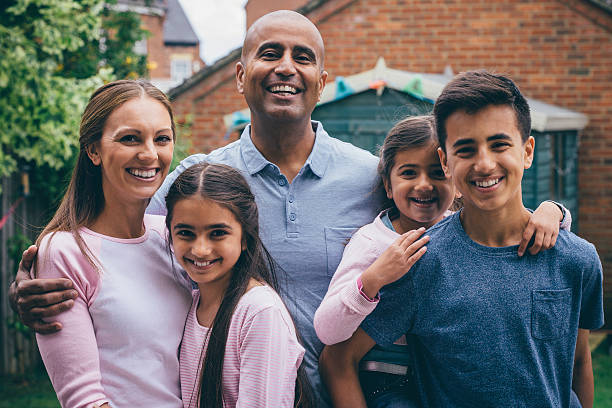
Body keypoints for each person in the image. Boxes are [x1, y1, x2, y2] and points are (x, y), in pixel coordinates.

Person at [9, 11, 570, 407]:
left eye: (303, 57)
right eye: (269, 53)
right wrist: (39, 266)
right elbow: (123, 242)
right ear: (239, 74)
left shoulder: (368, 175)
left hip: (355, 394)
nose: (286, 66)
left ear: (321, 81)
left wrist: (550, 215)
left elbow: (455, 212)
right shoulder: (199, 183)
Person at [325, 71, 604, 407]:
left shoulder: (578, 260)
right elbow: (337, 358)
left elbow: (578, 364)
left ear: (527, 151)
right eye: (466, 149)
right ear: (446, 160)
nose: (484, 164)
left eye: (499, 144)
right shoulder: (421, 263)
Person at [32, 79, 192, 407]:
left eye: (162, 139)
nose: (149, 154)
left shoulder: (174, 238)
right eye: (130, 138)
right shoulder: (65, 252)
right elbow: (83, 400)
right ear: (94, 150)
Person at [165, 162, 312, 408]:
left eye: (217, 233)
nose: (200, 249)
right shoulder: (189, 303)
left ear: (245, 236)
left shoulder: (259, 312)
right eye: (186, 233)